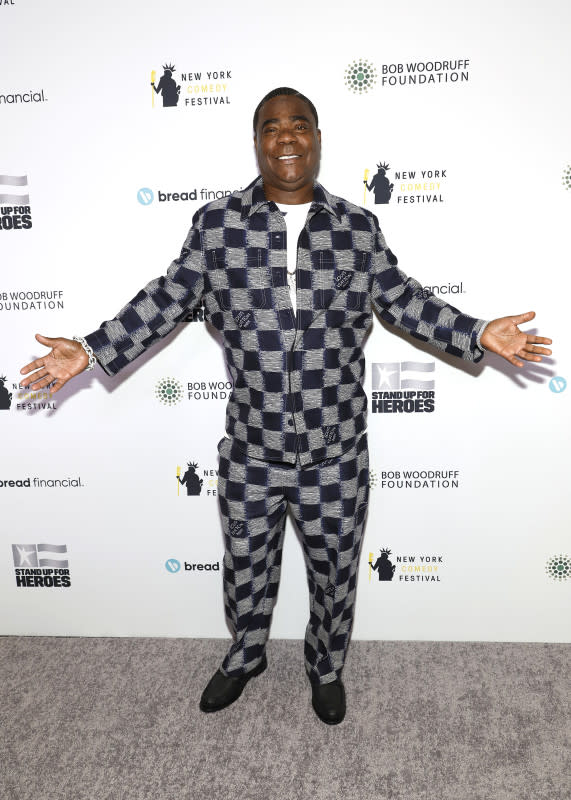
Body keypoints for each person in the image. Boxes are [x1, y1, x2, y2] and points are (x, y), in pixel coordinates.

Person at [20, 87, 552, 725]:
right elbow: (165, 299)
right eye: (272, 127)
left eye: (300, 124)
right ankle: (246, 655)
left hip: (336, 454)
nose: (287, 138)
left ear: (318, 138)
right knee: (246, 569)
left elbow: (405, 300)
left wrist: (476, 332)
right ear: (257, 142)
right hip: (251, 451)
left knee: (335, 575)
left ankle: (325, 667)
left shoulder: (358, 227)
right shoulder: (217, 226)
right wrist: (89, 349)